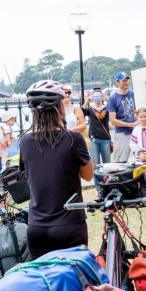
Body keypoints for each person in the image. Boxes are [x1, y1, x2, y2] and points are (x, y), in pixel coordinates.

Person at [19, 80, 93, 259]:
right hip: (69, 225)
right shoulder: (73, 138)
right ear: (60, 108)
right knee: (75, 282)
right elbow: (88, 175)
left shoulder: (25, 141)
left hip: (36, 227)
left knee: (43, 284)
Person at [108, 72, 137, 162]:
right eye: (123, 80)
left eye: (127, 80)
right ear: (117, 82)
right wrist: (131, 124)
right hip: (122, 134)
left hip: (136, 132)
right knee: (120, 163)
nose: (126, 82)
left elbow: (139, 111)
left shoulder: (133, 94)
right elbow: (113, 121)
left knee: (140, 161)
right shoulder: (113, 98)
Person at [83, 87, 111, 165]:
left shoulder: (106, 108)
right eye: (95, 97)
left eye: (99, 96)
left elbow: (114, 111)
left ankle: (107, 178)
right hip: (93, 139)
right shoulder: (90, 109)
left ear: (101, 96)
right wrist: (87, 101)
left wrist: (106, 100)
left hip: (105, 138)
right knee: (96, 166)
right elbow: (82, 113)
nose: (97, 99)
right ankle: (97, 178)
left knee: (107, 165)